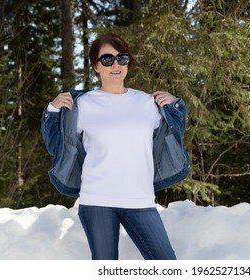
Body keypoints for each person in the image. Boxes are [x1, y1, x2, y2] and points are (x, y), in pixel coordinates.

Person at [41, 32, 190, 260]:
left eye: (122, 58)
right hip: (97, 200)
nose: (116, 65)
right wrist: (52, 111)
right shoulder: (81, 105)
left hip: (140, 200)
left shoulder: (147, 103)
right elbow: (57, 147)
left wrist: (176, 106)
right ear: (96, 66)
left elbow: (173, 137)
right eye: (107, 59)